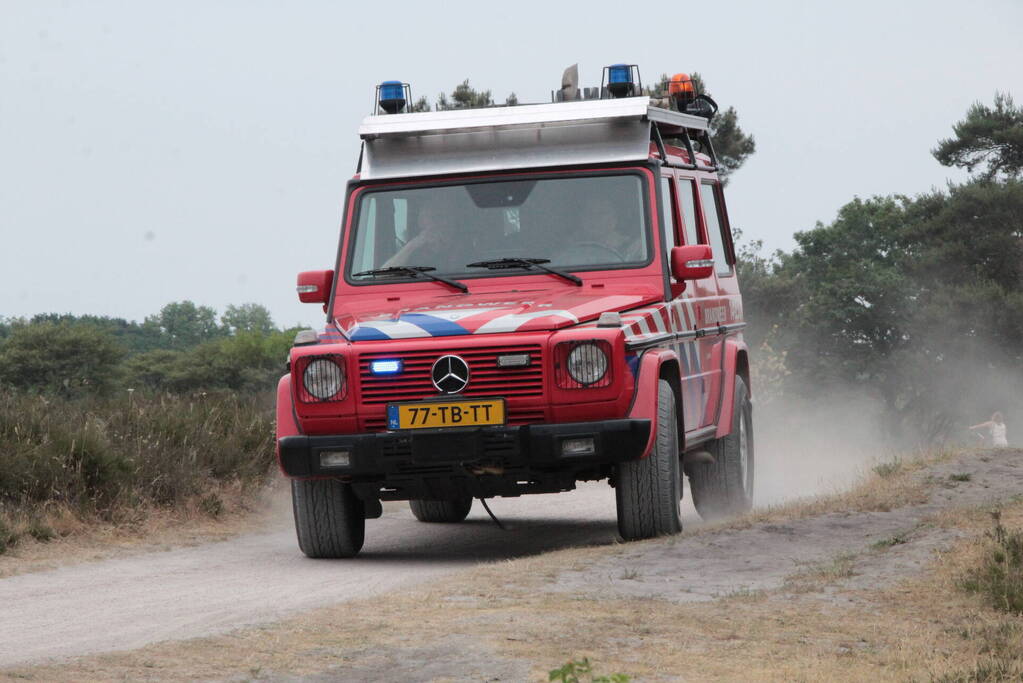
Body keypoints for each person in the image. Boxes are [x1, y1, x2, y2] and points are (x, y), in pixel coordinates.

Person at [382, 196, 462, 270]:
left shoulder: (463, 247)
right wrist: (412, 246)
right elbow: (383, 275)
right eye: (434, 217)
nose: (443, 223)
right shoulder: (414, 250)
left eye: (444, 217)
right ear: (421, 222)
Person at [559, 198, 645, 264]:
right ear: (581, 219)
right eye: (589, 213)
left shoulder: (634, 247)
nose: (594, 218)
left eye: (601, 213)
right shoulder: (569, 249)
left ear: (614, 218)